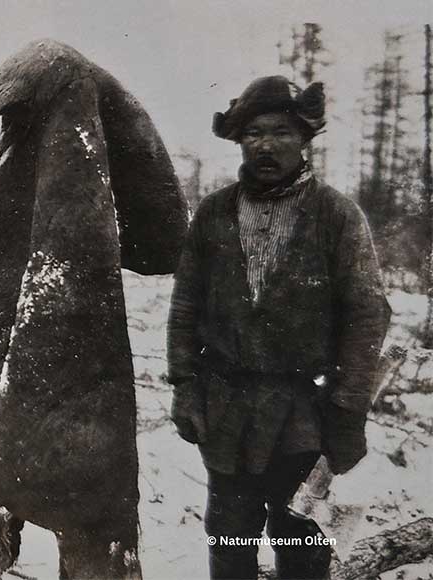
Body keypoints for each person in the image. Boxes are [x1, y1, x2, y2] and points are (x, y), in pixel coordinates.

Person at [166, 76, 391, 580]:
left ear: (305, 138)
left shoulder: (337, 215)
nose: (266, 145)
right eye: (254, 133)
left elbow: (367, 315)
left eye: (282, 132)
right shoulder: (213, 213)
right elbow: (184, 306)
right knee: (230, 538)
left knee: (302, 542)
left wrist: (347, 411)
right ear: (239, 140)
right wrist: (184, 385)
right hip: (226, 410)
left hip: (306, 414)